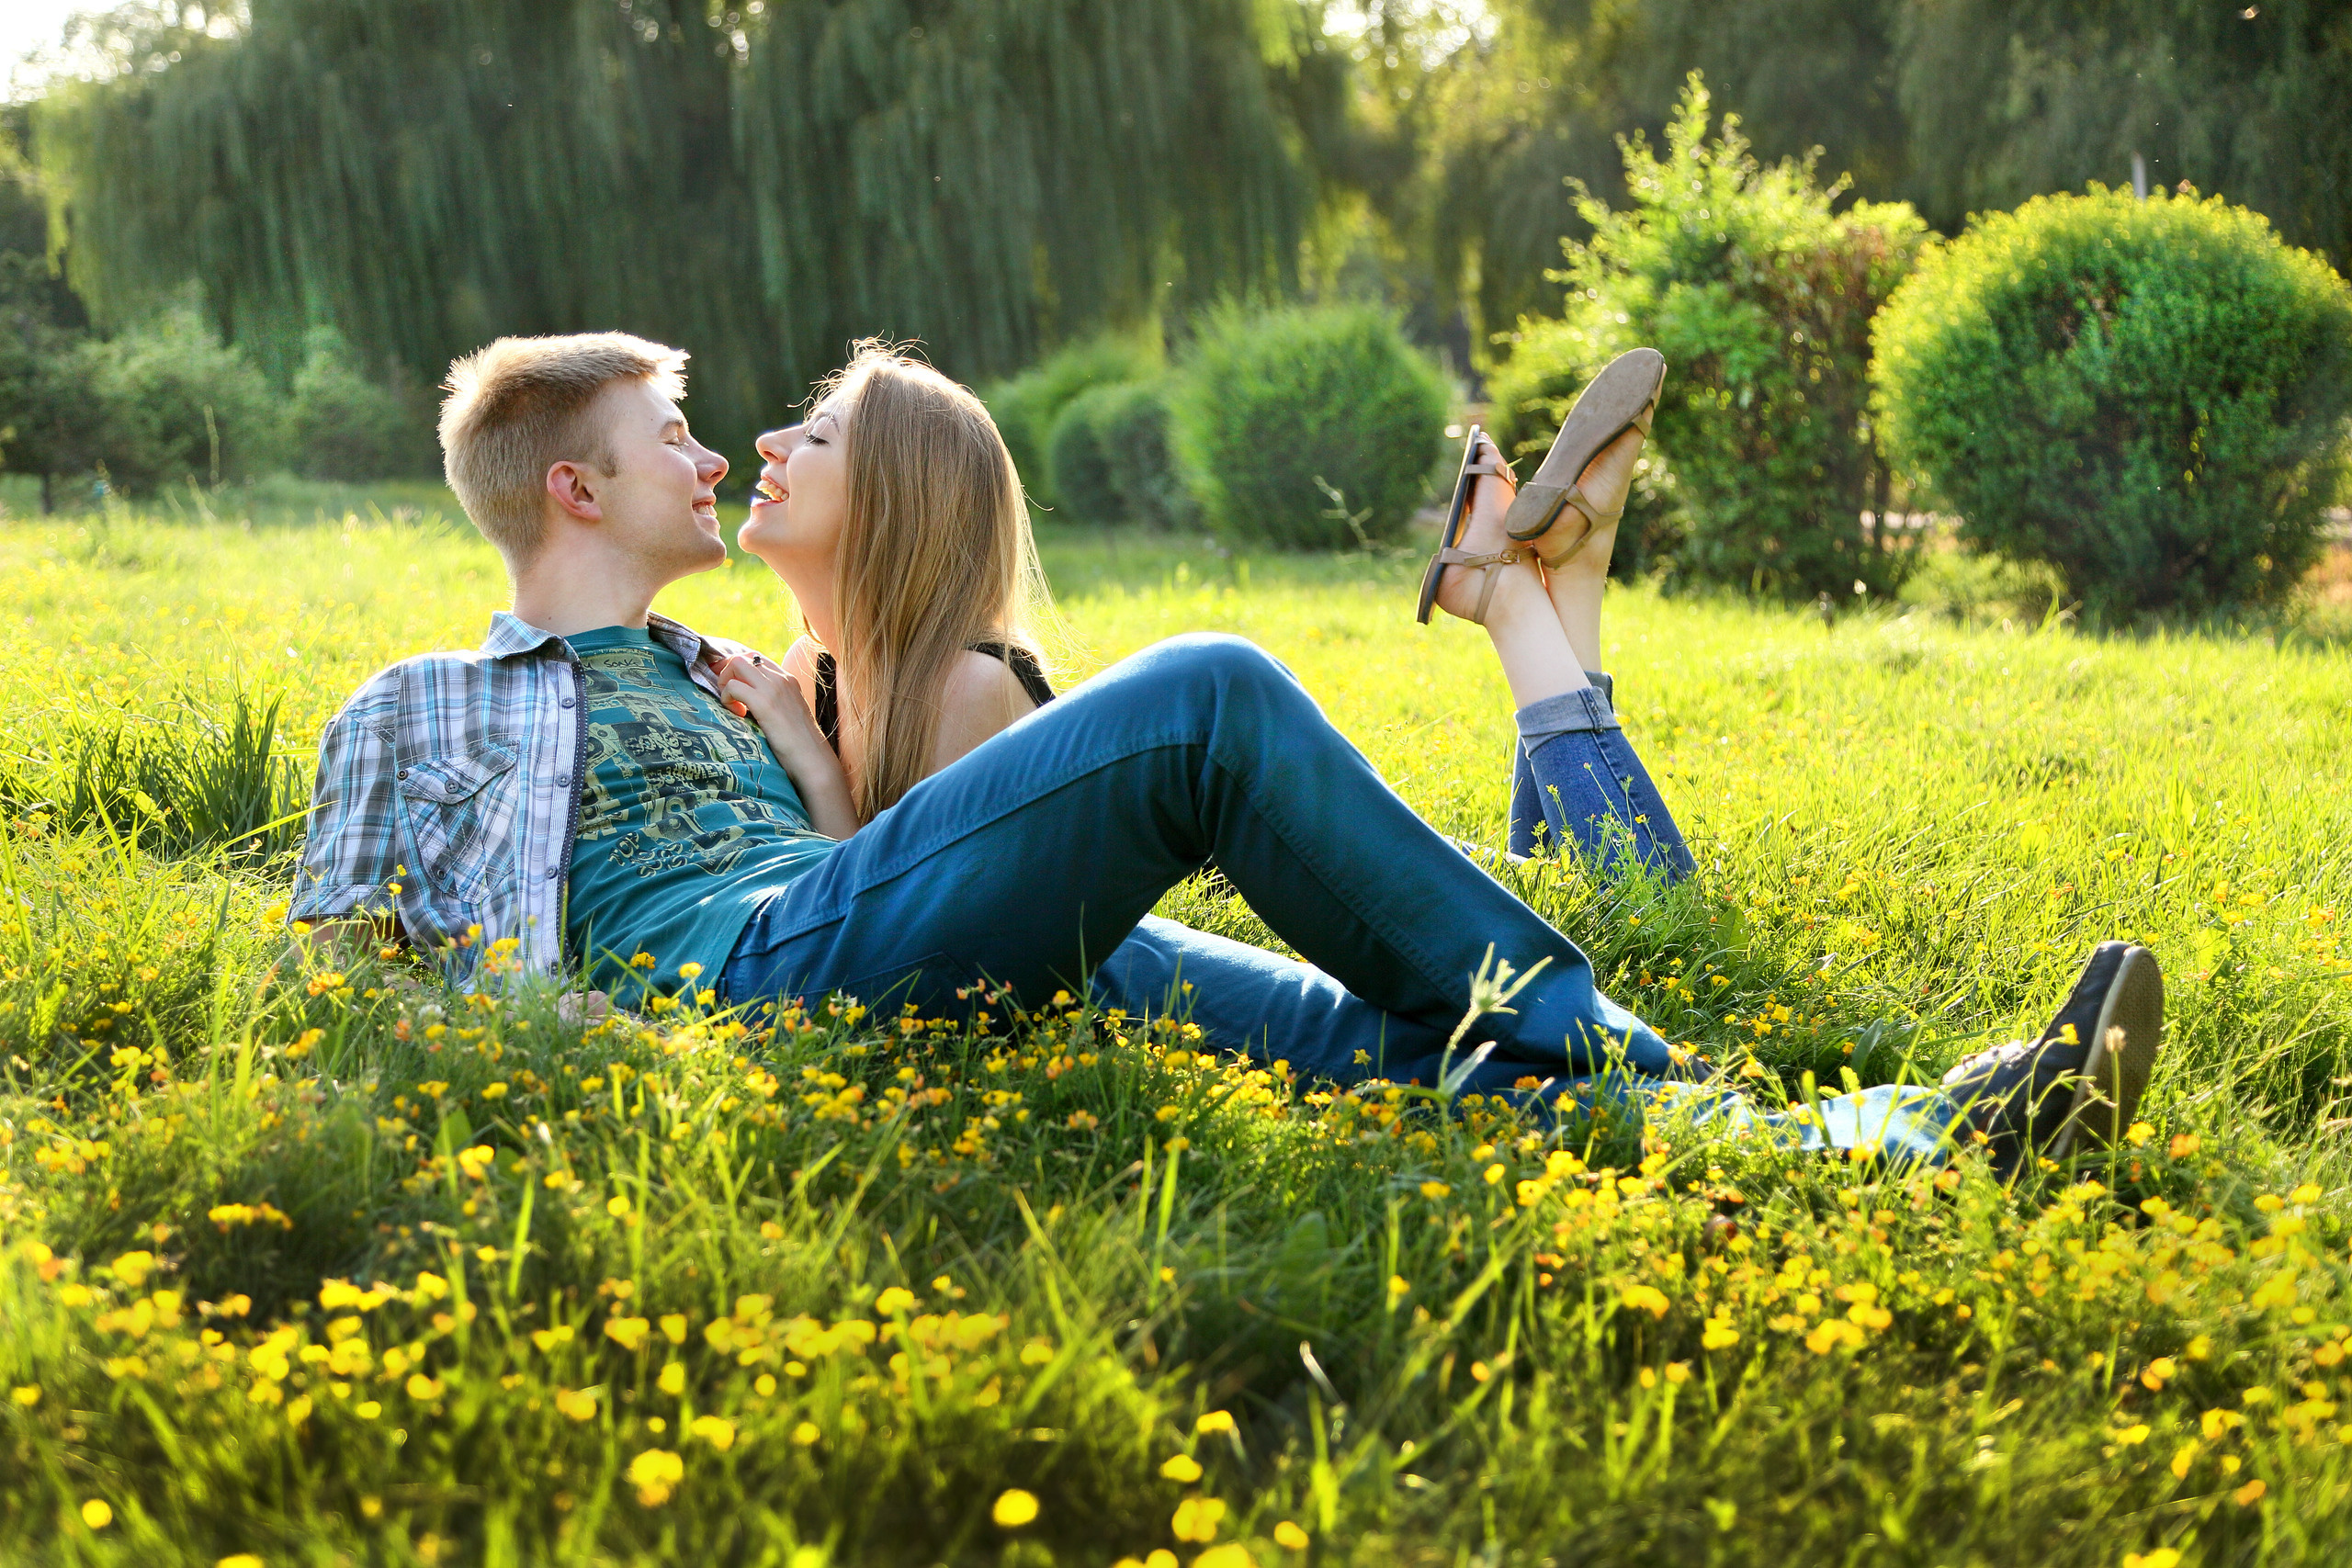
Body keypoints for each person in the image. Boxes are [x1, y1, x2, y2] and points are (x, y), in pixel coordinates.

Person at [291, 331, 2162, 1174]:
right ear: (574, 489)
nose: (719, 461)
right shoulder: (422, 705)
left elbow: (870, 869)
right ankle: (1644, 1031)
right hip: (741, 983)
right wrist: (587, 1043)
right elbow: (337, 962)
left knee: (1383, 1053)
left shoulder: (729, 671)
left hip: (860, 942)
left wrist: (793, 731)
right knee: (1208, 692)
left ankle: (1902, 1141)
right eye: (676, 442)